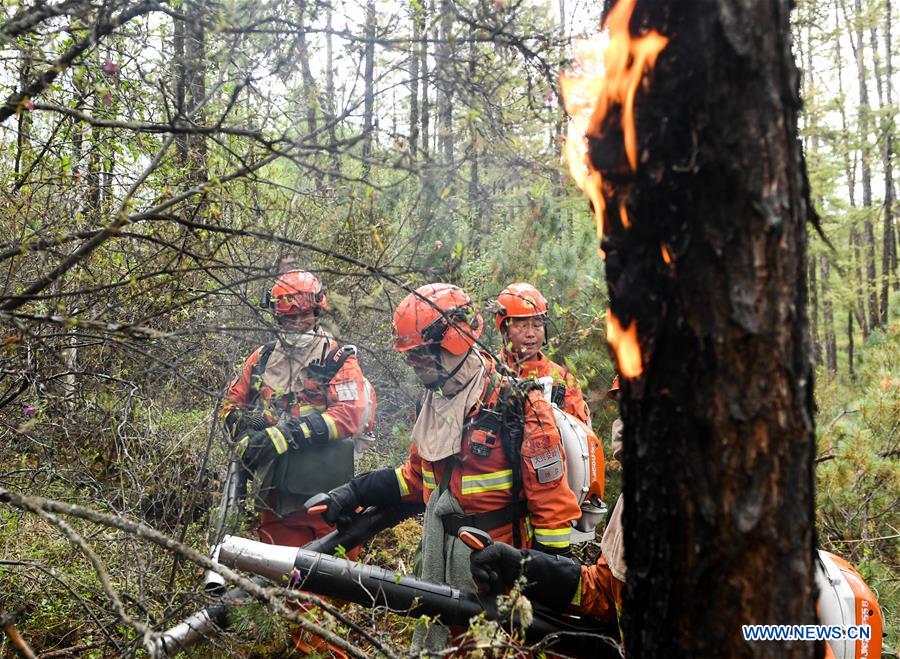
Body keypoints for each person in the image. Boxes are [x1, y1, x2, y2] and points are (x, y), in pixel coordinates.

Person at [315, 283, 581, 651]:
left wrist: (546, 579)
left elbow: (552, 509)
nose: (414, 363)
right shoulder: (435, 404)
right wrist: (356, 492)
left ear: (453, 342)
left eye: (422, 354)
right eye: (411, 356)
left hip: (498, 578)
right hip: (441, 570)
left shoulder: (521, 405)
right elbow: (416, 478)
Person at [495, 282, 591, 425]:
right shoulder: (487, 373)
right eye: (522, 326)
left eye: (537, 325)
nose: (531, 334)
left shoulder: (563, 382)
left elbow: (581, 439)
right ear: (504, 330)